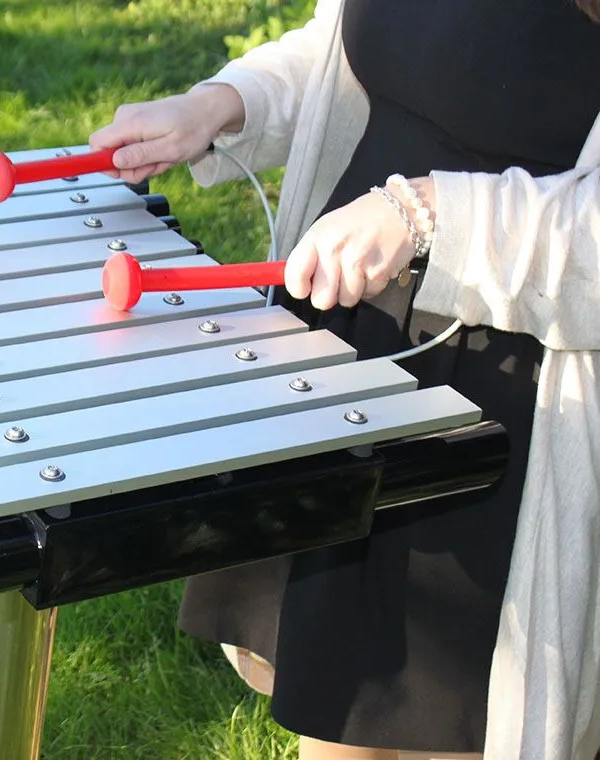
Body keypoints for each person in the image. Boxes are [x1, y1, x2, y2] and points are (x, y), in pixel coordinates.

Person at [88, 1, 600, 758]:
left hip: (511, 396)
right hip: (353, 340)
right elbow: (360, 50)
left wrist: (431, 215)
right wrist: (223, 103)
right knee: (338, 708)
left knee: (443, 718)